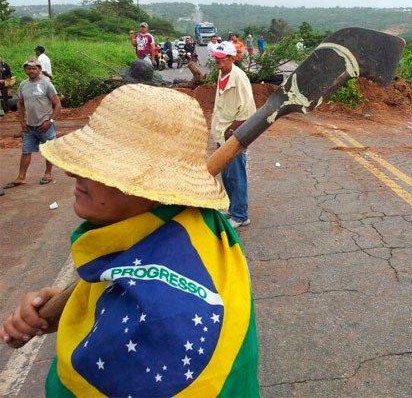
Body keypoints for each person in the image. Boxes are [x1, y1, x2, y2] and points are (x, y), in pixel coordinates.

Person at [0, 84, 260, 397]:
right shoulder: (185, 226)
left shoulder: (162, 321)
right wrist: (72, 304)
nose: (72, 174)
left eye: (99, 165)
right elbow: (132, 281)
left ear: (148, 184)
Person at [211, 42, 256, 228]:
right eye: (216, 58)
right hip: (222, 133)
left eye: (221, 59)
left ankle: (240, 215)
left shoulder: (239, 78)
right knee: (228, 175)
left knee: (236, 174)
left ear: (232, 58)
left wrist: (231, 132)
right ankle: (232, 207)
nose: (217, 62)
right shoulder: (223, 74)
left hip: (233, 134)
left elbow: (247, 112)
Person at [3, 58, 61, 190]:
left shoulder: (47, 85)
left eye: (34, 68)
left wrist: (50, 121)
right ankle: (21, 177)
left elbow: (57, 105)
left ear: (40, 70)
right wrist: (22, 122)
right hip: (30, 126)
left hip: (45, 125)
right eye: (29, 68)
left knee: (49, 151)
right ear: (25, 70)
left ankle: (48, 174)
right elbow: (20, 103)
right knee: (26, 151)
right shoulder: (23, 85)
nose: (32, 71)